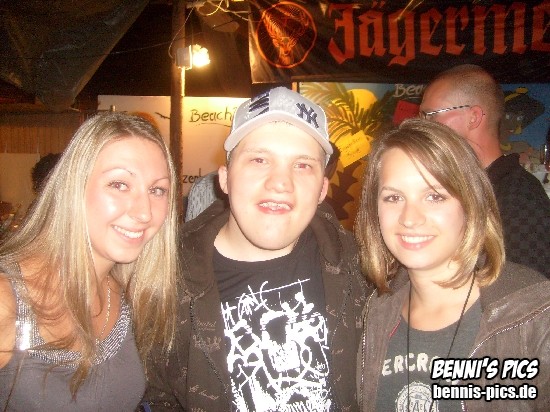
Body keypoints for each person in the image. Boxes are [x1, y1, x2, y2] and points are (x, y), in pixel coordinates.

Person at [143, 86, 368, 411]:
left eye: (302, 165)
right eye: (259, 159)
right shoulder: (162, 281)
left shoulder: (364, 270)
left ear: (322, 189)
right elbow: (155, 397)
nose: (280, 182)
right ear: (224, 178)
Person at [354, 118, 550, 411]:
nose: (410, 218)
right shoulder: (376, 312)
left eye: (434, 196)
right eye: (393, 197)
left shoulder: (535, 315)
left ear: (471, 204)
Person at [0, 112, 179, 410]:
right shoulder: (8, 300)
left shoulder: (130, 296)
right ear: (74, 187)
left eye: (157, 190)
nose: (145, 212)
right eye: (119, 184)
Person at [419, 64, 550, 278]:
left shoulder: (518, 199)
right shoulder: (467, 190)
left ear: (474, 117)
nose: (423, 126)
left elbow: (530, 290)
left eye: (431, 115)